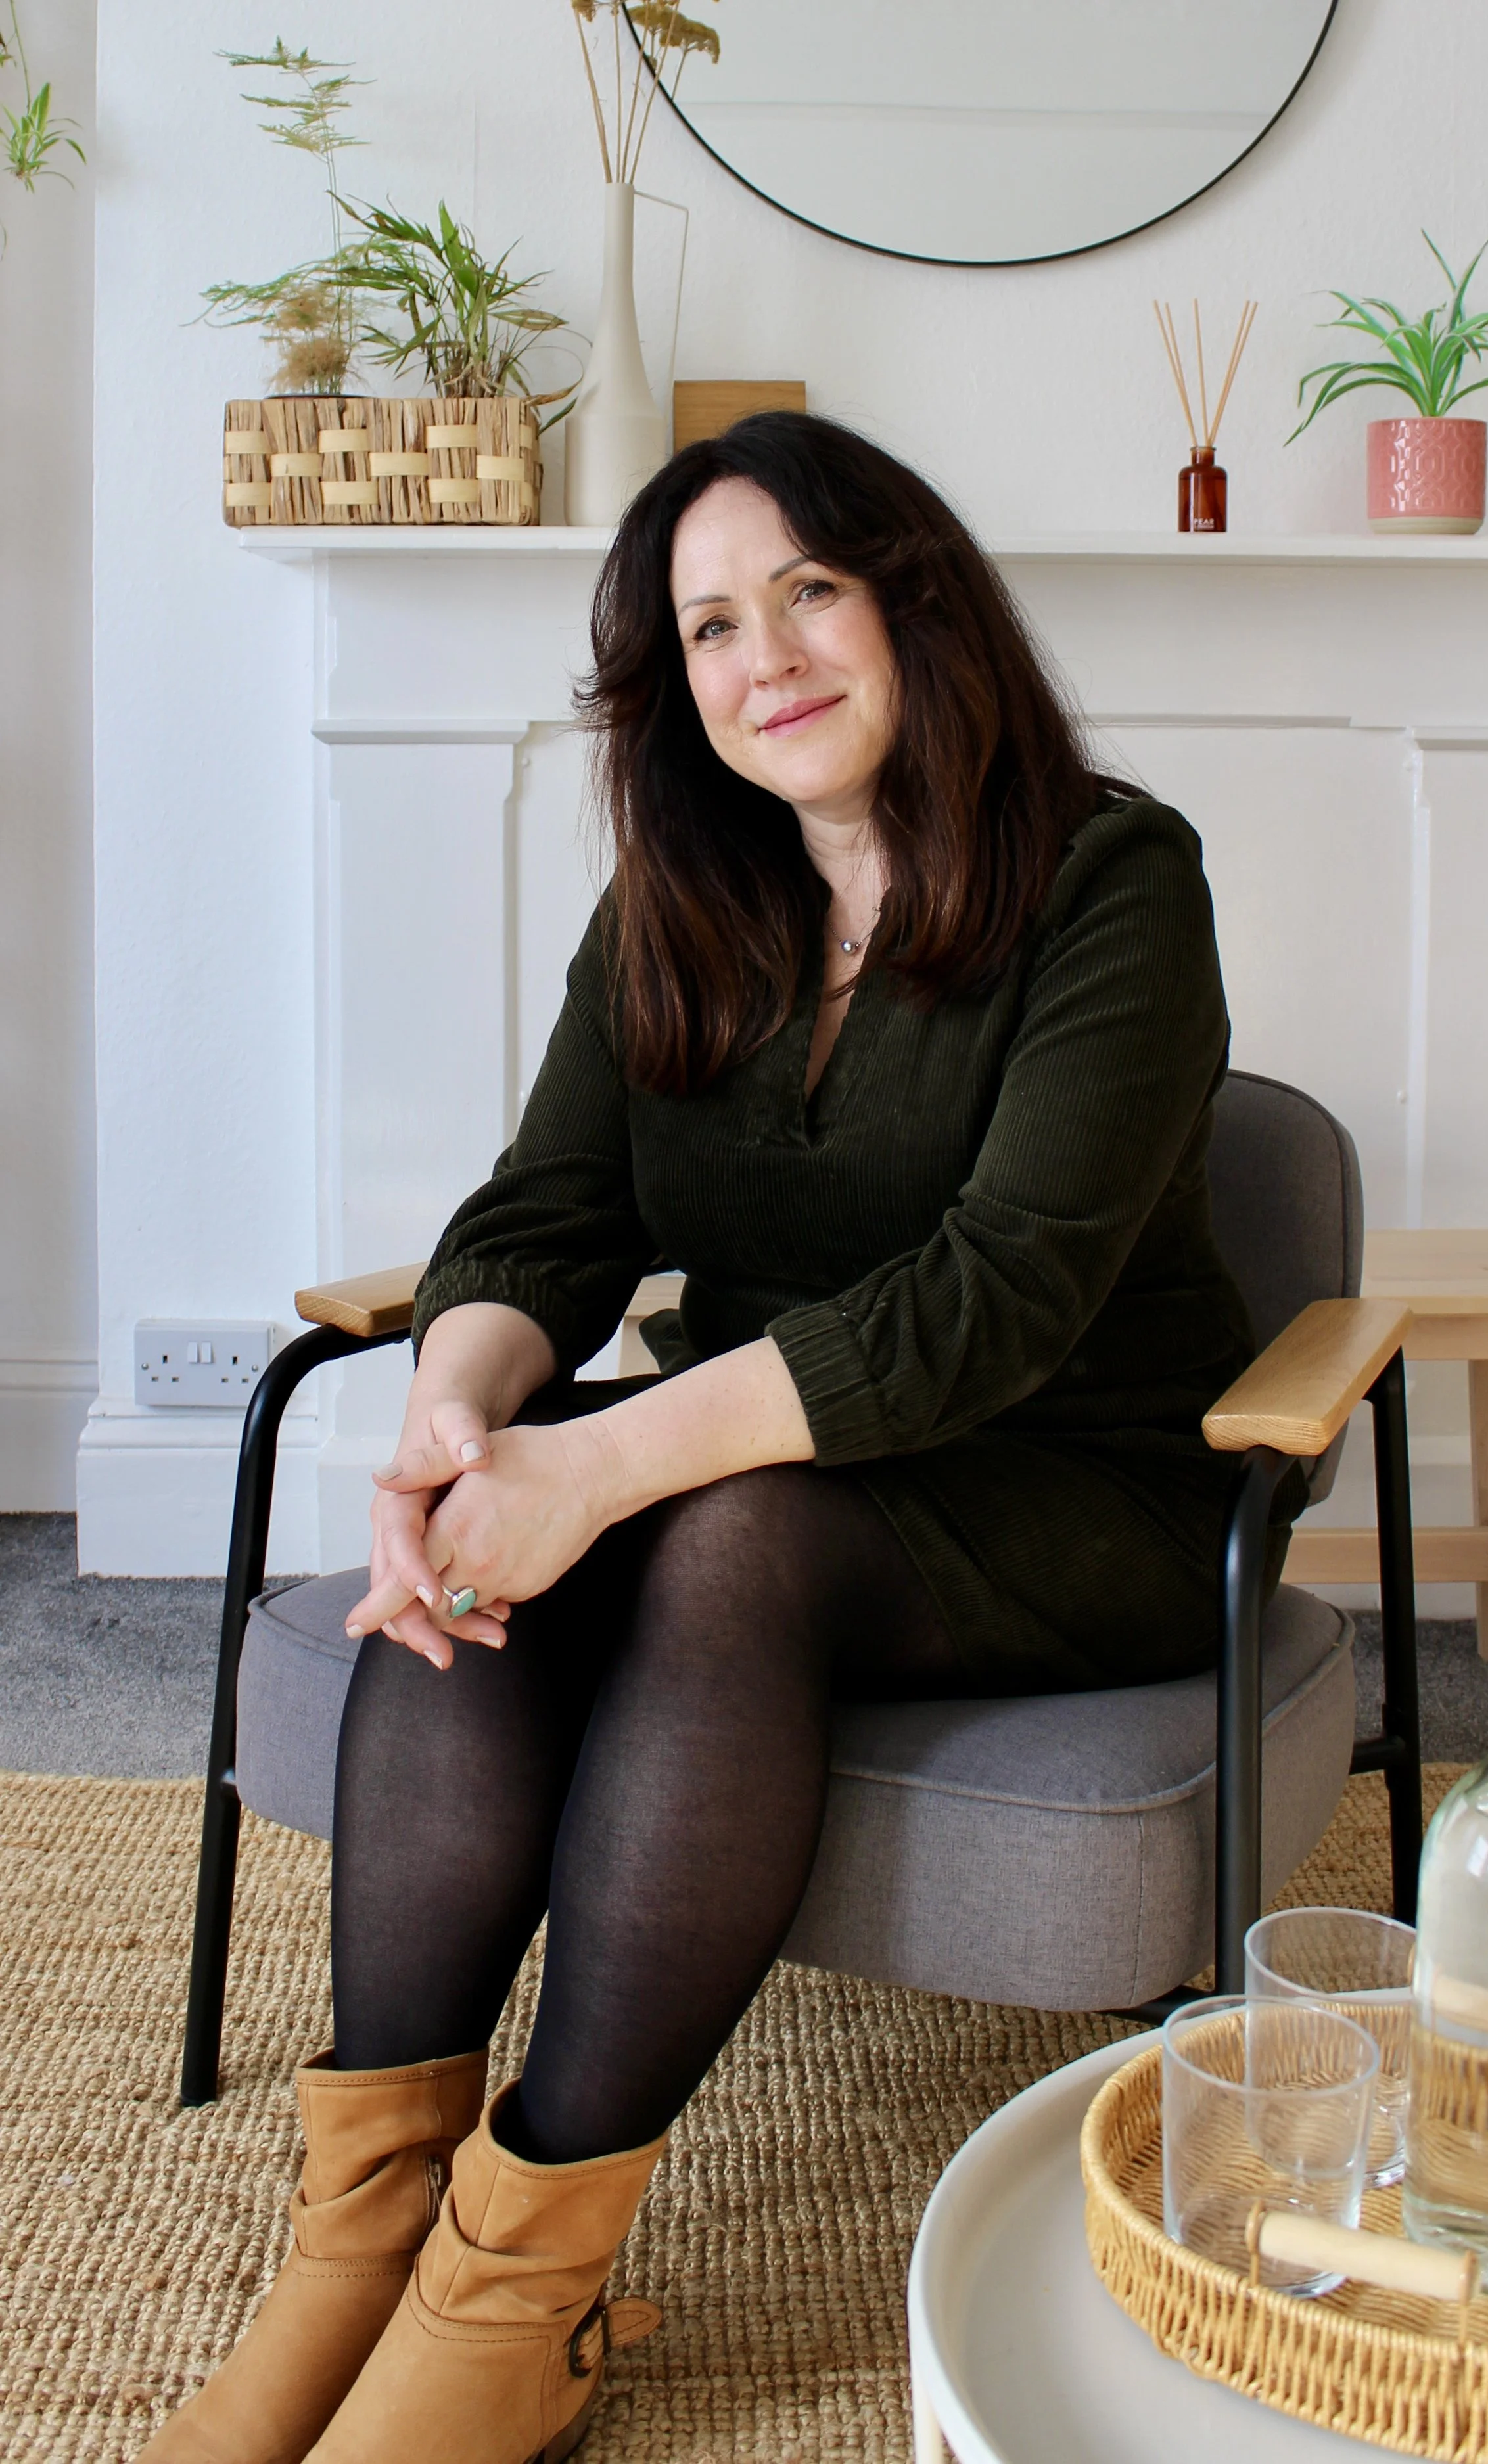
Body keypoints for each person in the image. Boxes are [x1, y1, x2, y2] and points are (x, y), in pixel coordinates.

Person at [142, 413, 1266, 2464]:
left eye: (809, 592)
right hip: (764, 1451)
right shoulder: (681, 895)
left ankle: (520, 2289)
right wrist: (459, 1419)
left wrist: (604, 1462)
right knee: (524, 1508)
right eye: (712, 625)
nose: (767, 658)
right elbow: (543, 1215)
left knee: (712, 1520)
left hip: (1077, 1478)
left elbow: (994, 1297)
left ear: (915, 604)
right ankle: (360, 2238)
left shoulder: (1113, 877)